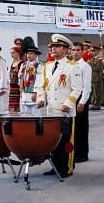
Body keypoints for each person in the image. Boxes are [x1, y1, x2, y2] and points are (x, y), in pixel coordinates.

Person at [38, 34, 84, 179]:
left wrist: (68, 104)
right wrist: (41, 99)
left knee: (65, 141)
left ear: (65, 49)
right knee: (53, 141)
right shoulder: (47, 66)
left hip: (65, 111)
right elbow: (42, 87)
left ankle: (67, 167)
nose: (52, 49)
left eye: (56, 46)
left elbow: (77, 89)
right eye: (51, 46)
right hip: (51, 110)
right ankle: (55, 166)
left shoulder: (72, 67)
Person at [72, 41, 93, 163]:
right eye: (73, 50)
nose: (75, 52)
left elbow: (87, 87)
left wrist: (82, 102)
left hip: (81, 98)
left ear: (82, 51)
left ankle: (82, 153)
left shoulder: (85, 66)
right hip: (71, 97)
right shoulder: (69, 65)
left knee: (81, 127)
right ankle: (73, 151)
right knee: (72, 127)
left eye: (78, 50)